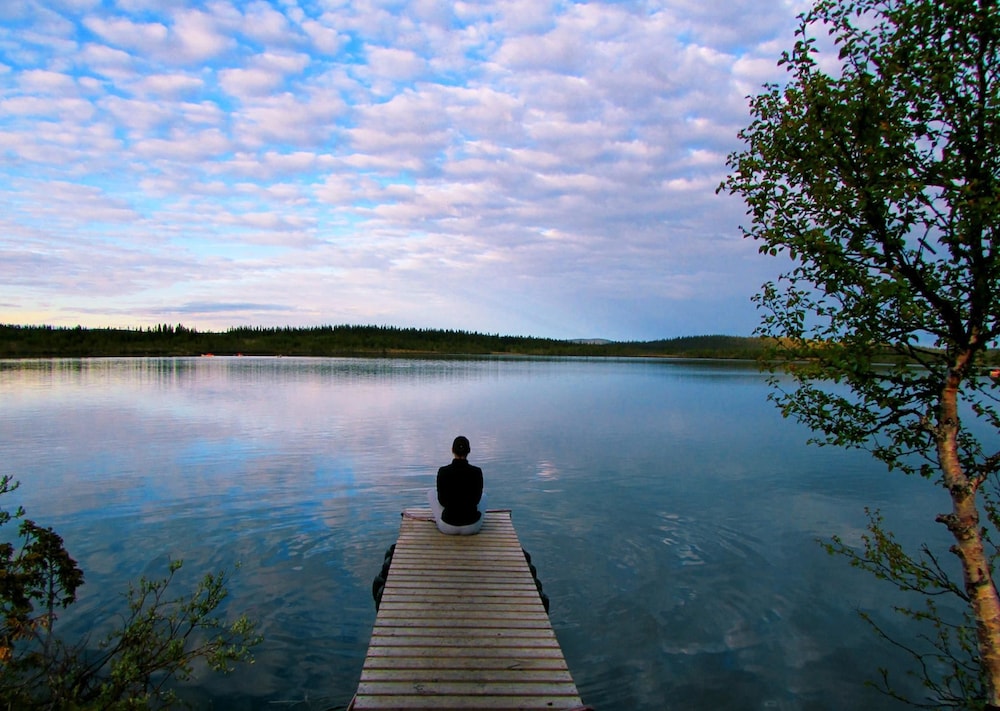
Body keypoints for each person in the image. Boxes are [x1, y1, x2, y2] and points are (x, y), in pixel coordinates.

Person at [427, 435, 485, 535]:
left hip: (447, 526)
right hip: (472, 527)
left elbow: (442, 501)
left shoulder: (443, 471)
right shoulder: (477, 472)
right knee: (484, 496)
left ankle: (444, 518)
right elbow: (477, 500)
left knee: (431, 493)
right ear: (469, 450)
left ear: (452, 450)